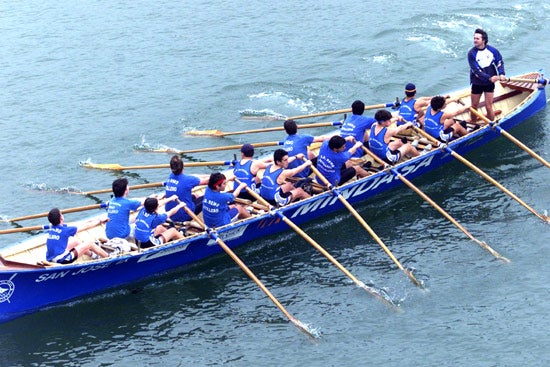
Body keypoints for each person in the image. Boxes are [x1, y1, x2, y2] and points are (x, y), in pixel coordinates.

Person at [468, 28, 506, 121]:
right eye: (474, 38)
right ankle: (473, 124)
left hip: (489, 84)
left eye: (477, 39)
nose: (475, 40)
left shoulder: (493, 50)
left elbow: (499, 62)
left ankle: (492, 124)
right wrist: (489, 78)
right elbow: (476, 70)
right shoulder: (471, 53)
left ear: (483, 40)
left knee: (488, 106)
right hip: (477, 83)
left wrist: (501, 73)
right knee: (474, 107)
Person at [164, 155, 209, 223]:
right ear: (183, 167)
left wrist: (209, 176)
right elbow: (206, 181)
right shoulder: (188, 180)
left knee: (194, 195)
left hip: (170, 213)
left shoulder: (171, 176)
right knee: (208, 198)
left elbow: (192, 176)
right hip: (185, 215)